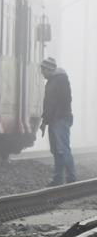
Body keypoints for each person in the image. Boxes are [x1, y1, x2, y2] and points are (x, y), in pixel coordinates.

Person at [39, 56, 76, 186]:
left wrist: (57, 116)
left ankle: (71, 178)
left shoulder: (61, 80)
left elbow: (65, 100)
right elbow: (48, 104)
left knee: (63, 149)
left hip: (61, 120)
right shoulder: (51, 81)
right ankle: (58, 179)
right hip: (54, 120)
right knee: (56, 150)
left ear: (49, 69)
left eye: (43, 69)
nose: (42, 72)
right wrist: (44, 121)